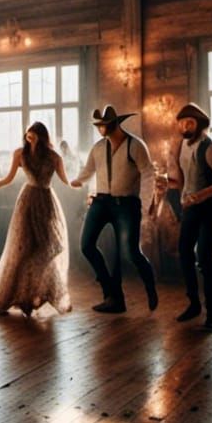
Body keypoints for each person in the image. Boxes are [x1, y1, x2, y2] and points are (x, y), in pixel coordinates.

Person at [72, 106, 159, 313]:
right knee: (86, 245)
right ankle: (111, 293)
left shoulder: (135, 145)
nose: (99, 128)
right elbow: (88, 170)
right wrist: (75, 181)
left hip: (126, 204)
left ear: (114, 123)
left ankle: (149, 285)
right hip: (101, 202)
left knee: (129, 253)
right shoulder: (98, 147)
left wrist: (145, 205)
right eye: (97, 125)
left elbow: (148, 174)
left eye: (102, 125)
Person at [0, 122, 76, 316]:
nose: (30, 137)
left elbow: (66, 180)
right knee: (22, 247)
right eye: (28, 134)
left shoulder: (54, 157)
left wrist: (79, 184)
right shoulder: (19, 154)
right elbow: (8, 178)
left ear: (42, 136)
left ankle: (41, 293)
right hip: (27, 202)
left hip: (46, 201)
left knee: (47, 247)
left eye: (34, 135)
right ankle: (19, 296)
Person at [165, 103, 212, 330]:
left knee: (204, 256)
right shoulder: (181, 146)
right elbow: (184, 178)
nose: (185, 126)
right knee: (184, 252)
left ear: (200, 124)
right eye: (182, 123)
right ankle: (193, 304)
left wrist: (199, 195)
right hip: (191, 206)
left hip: (211, 207)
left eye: (190, 122)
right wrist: (173, 186)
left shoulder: (210, 148)